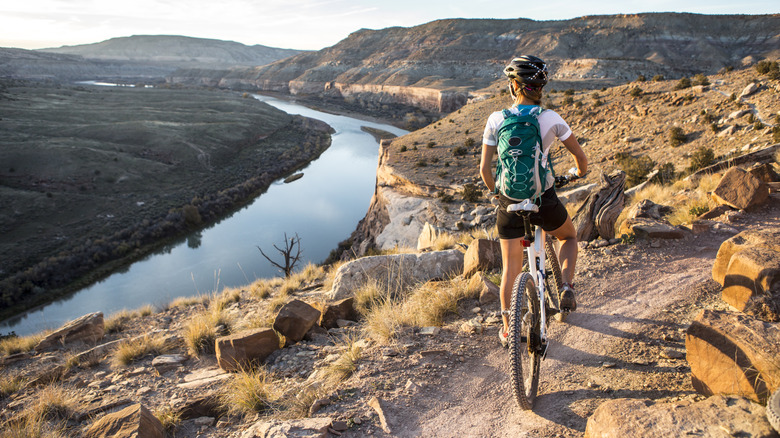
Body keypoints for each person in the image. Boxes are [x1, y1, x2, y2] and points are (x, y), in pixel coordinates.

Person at [479, 55, 588, 347]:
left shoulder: (496, 119)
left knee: (511, 269)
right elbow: (581, 158)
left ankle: (506, 328)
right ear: (539, 87)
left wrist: (496, 193)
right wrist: (577, 173)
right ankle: (566, 286)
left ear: (515, 86)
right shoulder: (550, 118)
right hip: (543, 199)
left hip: (509, 202)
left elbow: (485, 171)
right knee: (568, 236)